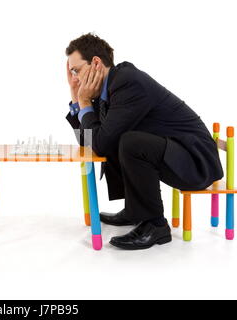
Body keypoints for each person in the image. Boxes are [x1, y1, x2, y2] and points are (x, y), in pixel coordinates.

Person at [65, 33, 223, 250]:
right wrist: (76, 98)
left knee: (130, 142)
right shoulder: (108, 90)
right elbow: (89, 142)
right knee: (116, 137)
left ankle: (155, 225)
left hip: (195, 163)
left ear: (96, 63)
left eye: (76, 70)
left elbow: (99, 143)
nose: (74, 78)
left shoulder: (127, 82)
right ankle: (134, 211)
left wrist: (84, 101)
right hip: (177, 155)